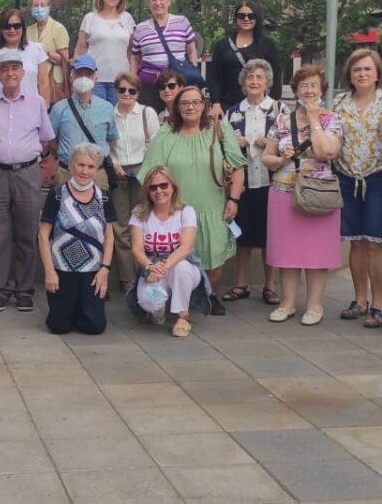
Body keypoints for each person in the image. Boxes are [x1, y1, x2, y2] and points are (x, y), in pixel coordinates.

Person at [139, 85, 246, 316]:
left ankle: (209, 294)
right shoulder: (167, 133)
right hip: (175, 210)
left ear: (204, 105)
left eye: (196, 102)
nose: (191, 107)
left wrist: (234, 199)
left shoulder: (218, 128)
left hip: (213, 206)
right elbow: (152, 172)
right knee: (179, 261)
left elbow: (237, 166)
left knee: (214, 261)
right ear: (177, 107)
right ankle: (176, 303)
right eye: (185, 103)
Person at [261, 64, 343, 325]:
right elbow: (267, 157)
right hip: (283, 191)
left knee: (317, 255)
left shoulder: (331, 119)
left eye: (314, 85)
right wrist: (280, 159)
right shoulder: (283, 120)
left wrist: (315, 119)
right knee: (287, 253)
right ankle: (287, 304)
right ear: (295, 90)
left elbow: (327, 152)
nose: (309, 90)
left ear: (322, 90)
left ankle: (314, 305)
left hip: (318, 192)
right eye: (304, 85)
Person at [0, 52, 55, 311]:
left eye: (15, 68)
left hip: (27, 173)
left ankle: (23, 288)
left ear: (23, 73)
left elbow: (44, 139)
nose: (10, 73)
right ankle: (0, 288)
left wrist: (22, 155)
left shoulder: (36, 102)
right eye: (5, 68)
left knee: (26, 231)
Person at [332, 49, 382, 327]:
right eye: (357, 70)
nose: (362, 74)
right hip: (347, 178)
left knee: (376, 243)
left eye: (368, 69)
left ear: (378, 73)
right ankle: (359, 299)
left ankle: (378, 304)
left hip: (379, 177)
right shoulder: (339, 102)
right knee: (356, 242)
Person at [223, 59, 284, 306]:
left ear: (267, 82)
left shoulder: (279, 110)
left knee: (271, 236)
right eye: (250, 78)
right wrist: (234, 144)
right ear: (243, 83)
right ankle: (241, 284)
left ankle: (270, 286)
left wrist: (271, 144)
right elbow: (223, 145)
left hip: (271, 182)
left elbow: (289, 140)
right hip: (244, 183)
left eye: (259, 77)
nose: (254, 82)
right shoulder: (233, 111)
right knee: (242, 237)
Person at [38, 142, 113, 334]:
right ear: (71, 166)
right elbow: (43, 235)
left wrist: (105, 269)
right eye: (80, 165)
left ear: (96, 170)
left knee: (94, 327)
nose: (85, 171)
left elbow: (110, 235)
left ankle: (82, 306)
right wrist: (49, 272)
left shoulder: (104, 197)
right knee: (58, 326)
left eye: (90, 166)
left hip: (92, 271)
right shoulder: (56, 195)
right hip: (62, 270)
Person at [129, 166, 203, 336]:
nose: (159, 191)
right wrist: (150, 267)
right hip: (152, 267)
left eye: (164, 185)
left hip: (181, 266)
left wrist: (164, 266)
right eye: (153, 187)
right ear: (147, 191)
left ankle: (183, 315)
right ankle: (159, 311)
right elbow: (137, 249)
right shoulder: (139, 213)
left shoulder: (186, 211)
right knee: (150, 302)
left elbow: (186, 247)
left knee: (180, 268)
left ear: (173, 187)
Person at [110, 71, 161, 289]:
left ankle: (146, 272)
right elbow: (106, 143)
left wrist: (145, 170)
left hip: (143, 170)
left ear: (138, 93)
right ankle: (126, 279)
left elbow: (155, 144)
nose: (126, 94)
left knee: (143, 223)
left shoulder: (146, 113)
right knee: (121, 226)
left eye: (131, 90)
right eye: (122, 89)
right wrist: (114, 164)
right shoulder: (109, 114)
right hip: (118, 170)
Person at [49, 55, 118, 190]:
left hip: (97, 174)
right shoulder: (59, 108)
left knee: (98, 210)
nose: (84, 78)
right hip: (66, 173)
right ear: (71, 77)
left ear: (95, 78)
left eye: (88, 74)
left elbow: (111, 140)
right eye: (79, 74)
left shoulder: (107, 108)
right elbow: (51, 142)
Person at [206, 0, 283, 115]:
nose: (246, 19)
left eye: (251, 16)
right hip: (228, 106)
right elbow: (215, 78)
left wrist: (273, 103)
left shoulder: (268, 45)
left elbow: (276, 77)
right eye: (241, 16)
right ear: (236, 18)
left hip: (260, 106)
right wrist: (216, 104)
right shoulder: (222, 45)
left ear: (257, 18)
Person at [130, 0, 198, 109]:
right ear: (149, 4)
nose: (158, 3)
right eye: (154, 0)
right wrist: (133, 83)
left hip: (176, 82)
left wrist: (193, 72)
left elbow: (191, 51)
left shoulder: (182, 22)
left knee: (180, 117)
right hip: (149, 85)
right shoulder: (140, 28)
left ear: (169, 0)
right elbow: (135, 58)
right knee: (151, 119)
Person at [74, 0, 136, 105]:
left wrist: (132, 77)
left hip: (121, 81)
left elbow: (132, 51)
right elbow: (80, 49)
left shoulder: (127, 19)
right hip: (94, 79)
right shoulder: (90, 18)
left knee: (118, 119)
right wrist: (77, 75)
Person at [0, 8, 50, 102]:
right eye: (7, 26)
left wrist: (45, 108)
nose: (12, 30)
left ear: (23, 28)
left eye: (16, 26)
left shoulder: (36, 49)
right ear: (1, 30)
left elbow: (43, 83)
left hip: (30, 109)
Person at [27, 0, 71, 108]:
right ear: (31, 8)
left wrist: (45, 53)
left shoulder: (58, 28)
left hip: (54, 81)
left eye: (42, 5)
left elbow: (64, 60)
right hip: (33, 82)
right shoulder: (29, 31)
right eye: (36, 5)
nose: (39, 8)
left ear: (49, 6)